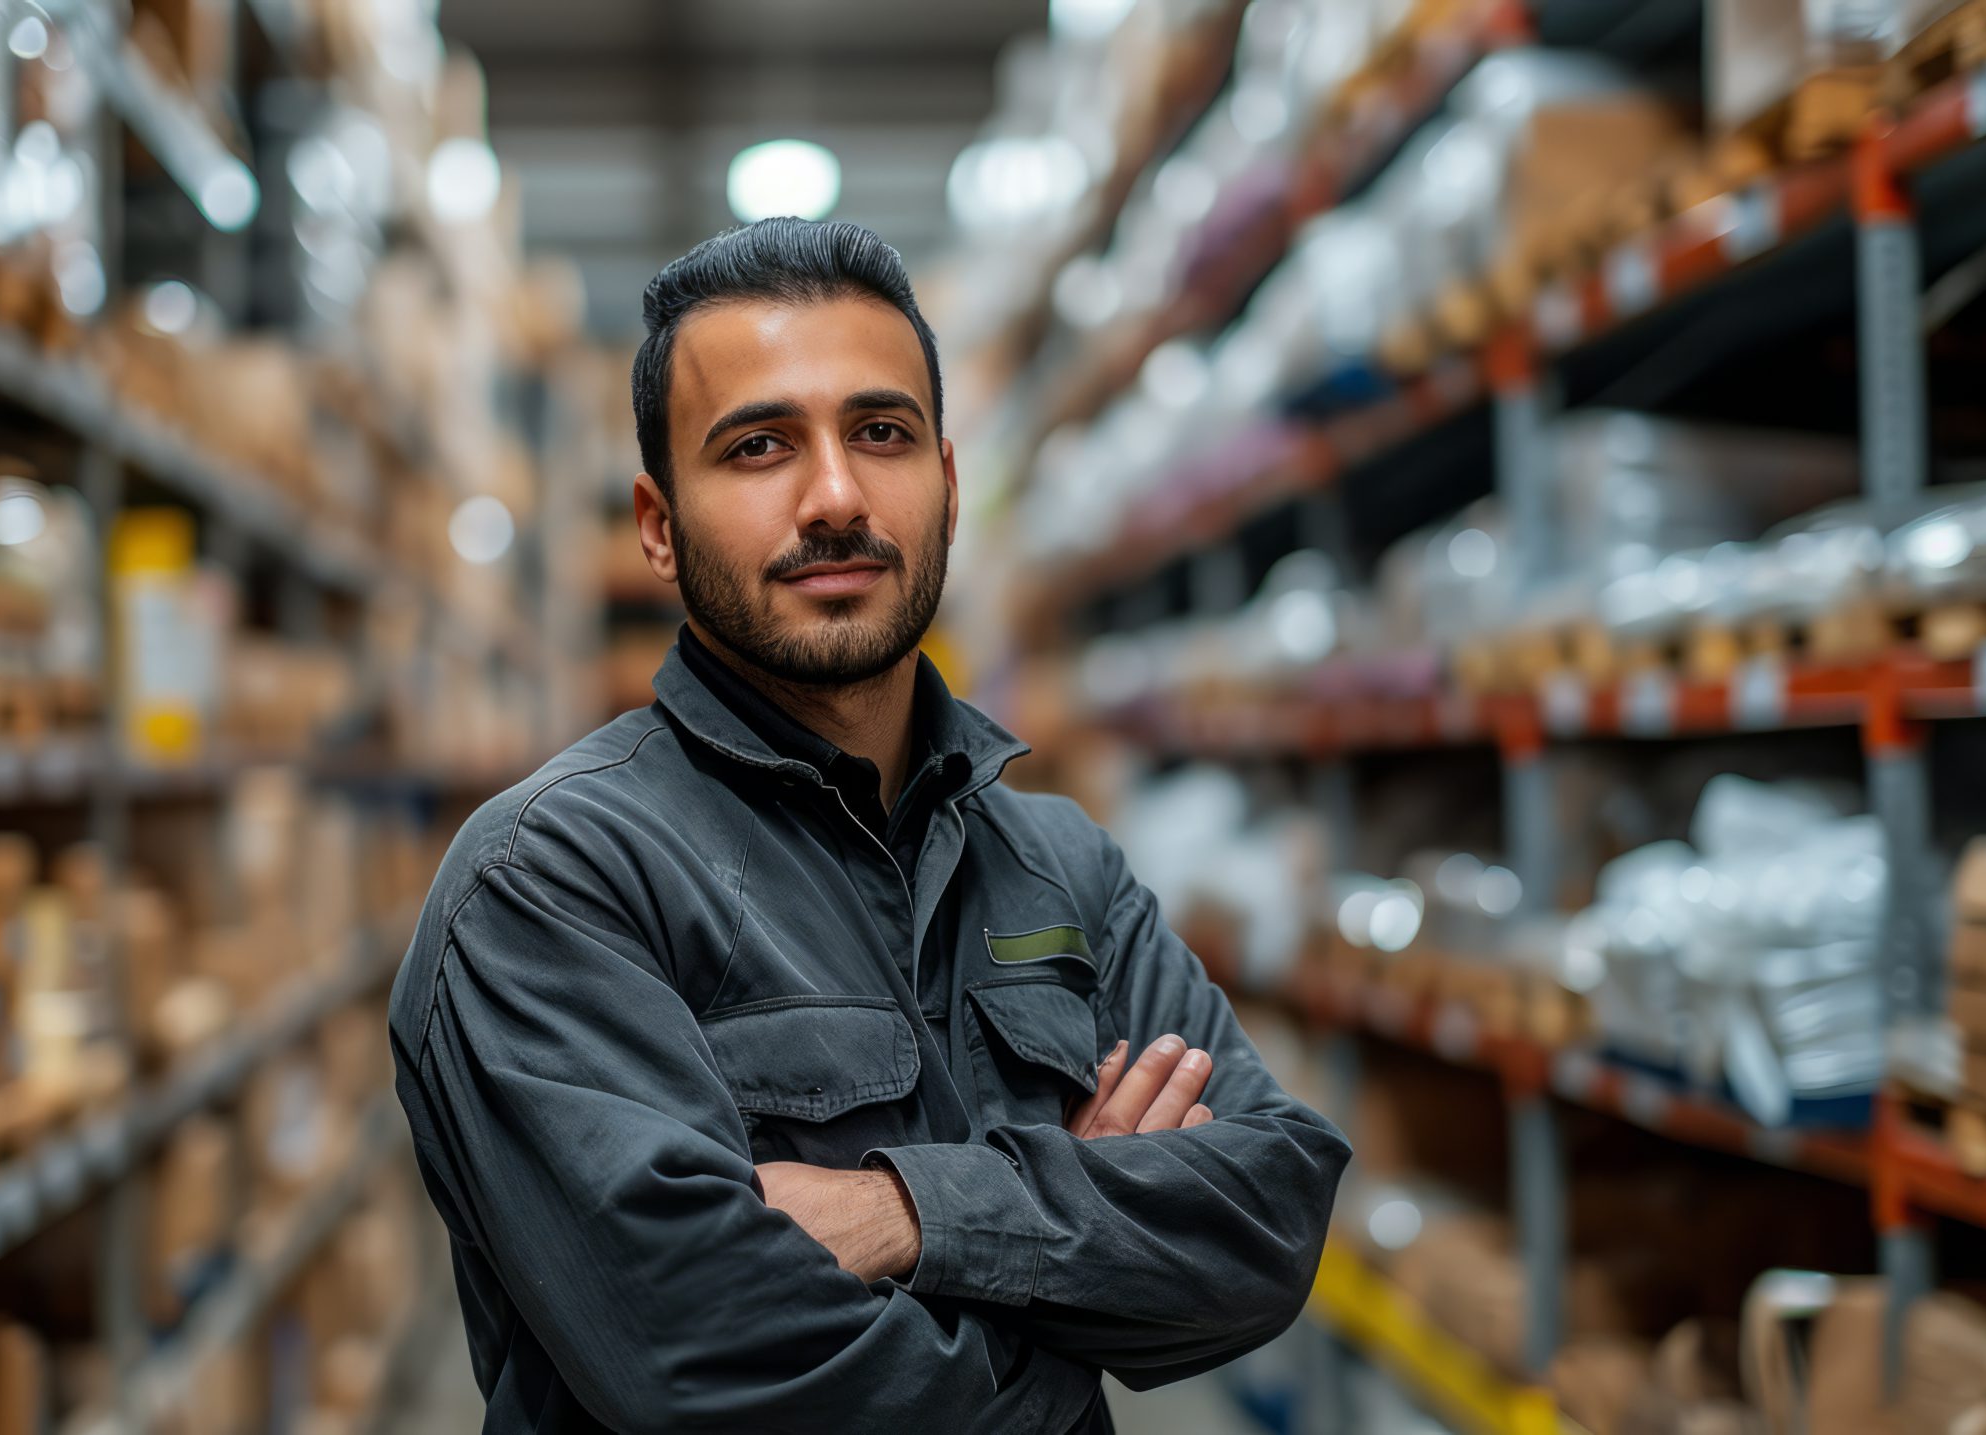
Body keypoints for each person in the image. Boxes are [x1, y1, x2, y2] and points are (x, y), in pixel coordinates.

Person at [388, 217, 1349, 1434]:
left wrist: (906, 1216)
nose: (835, 496)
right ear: (658, 523)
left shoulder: (1062, 867)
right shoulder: (550, 883)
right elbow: (714, 1368)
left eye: (880, 433)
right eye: (757, 447)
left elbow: (1267, 1214)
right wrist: (1080, 1279)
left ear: (945, 481)